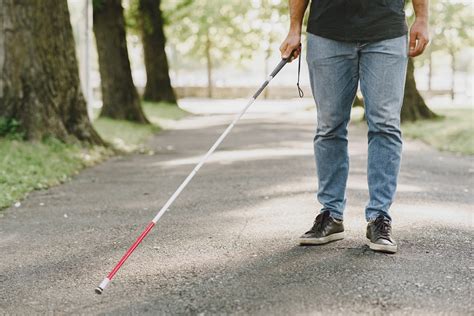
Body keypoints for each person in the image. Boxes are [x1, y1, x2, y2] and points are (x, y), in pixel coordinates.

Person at [280, 0, 429, 253]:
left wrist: (422, 18)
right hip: (326, 32)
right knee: (329, 126)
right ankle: (331, 214)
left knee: (385, 125)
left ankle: (379, 217)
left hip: (387, 31)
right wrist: (294, 27)